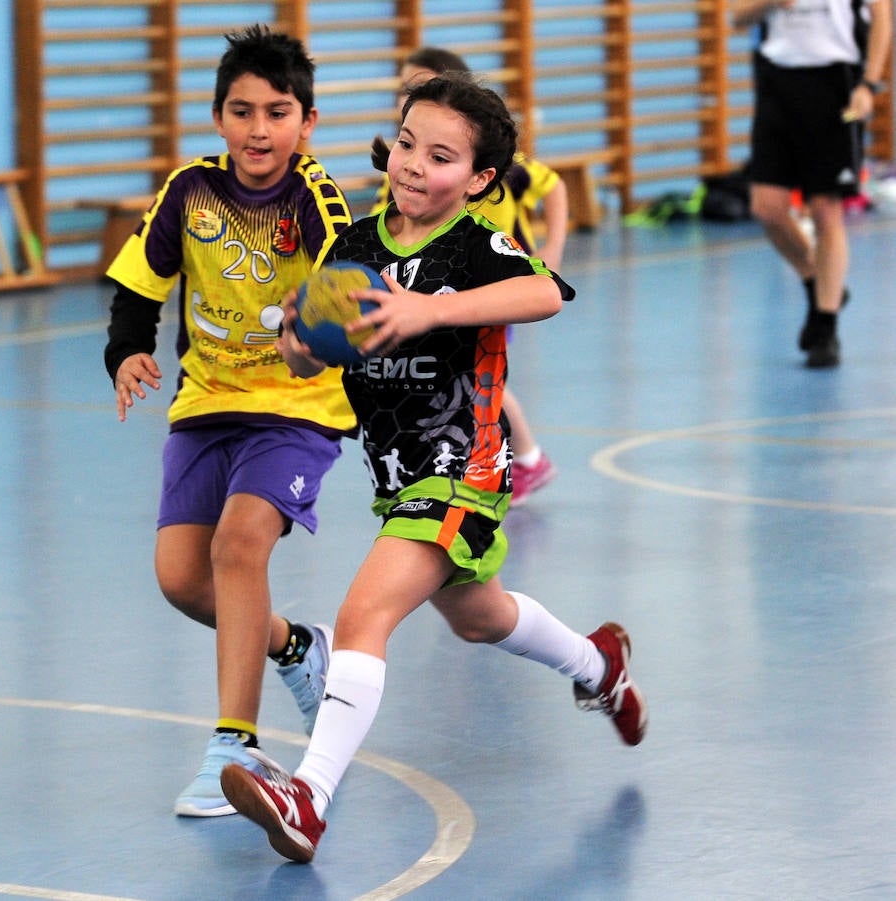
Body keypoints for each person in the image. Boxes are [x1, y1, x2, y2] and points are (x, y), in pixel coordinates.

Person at [219, 72, 647, 863]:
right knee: (477, 614)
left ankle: (308, 796)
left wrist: (432, 308)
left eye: (442, 156)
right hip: (396, 476)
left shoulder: (475, 246)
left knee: (361, 618)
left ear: (480, 179)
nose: (416, 165)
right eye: (408, 144)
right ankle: (598, 662)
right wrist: (303, 344)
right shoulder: (355, 245)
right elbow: (307, 344)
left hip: (465, 469)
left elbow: (546, 293)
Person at [103, 24, 355, 818]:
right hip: (206, 401)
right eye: (242, 111)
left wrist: (310, 332)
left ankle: (232, 746)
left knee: (238, 544)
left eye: (277, 112)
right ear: (217, 116)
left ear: (306, 124)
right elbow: (140, 284)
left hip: (296, 406)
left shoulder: (315, 199)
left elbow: (345, 294)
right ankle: (293, 645)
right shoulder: (189, 189)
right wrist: (125, 353)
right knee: (182, 578)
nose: (258, 128)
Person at [373, 47, 563, 505]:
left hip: (488, 292)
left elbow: (554, 189)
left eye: (417, 85)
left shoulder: (500, 183)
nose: (407, 95)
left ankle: (527, 458)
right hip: (424, 308)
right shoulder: (402, 187)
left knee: (482, 380)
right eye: (404, 89)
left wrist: (552, 250)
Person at [733, 0, 892, 368]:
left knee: (826, 208)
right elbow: (738, 17)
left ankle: (825, 324)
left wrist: (869, 83)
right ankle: (816, 280)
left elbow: (882, 14)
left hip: (837, 81)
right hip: (777, 81)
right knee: (767, 209)